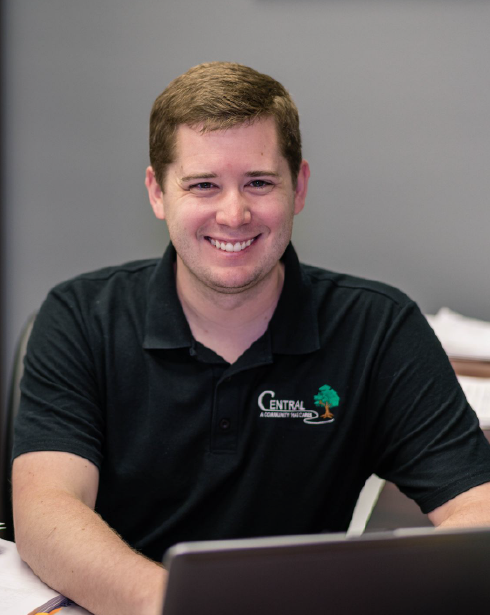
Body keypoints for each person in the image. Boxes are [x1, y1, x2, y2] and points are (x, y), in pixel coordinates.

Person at [12, 62, 490, 615]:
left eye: (259, 183)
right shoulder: (80, 316)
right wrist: (176, 605)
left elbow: (477, 512)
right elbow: (46, 511)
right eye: (203, 185)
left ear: (299, 186)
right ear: (158, 192)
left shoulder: (378, 328)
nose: (233, 213)